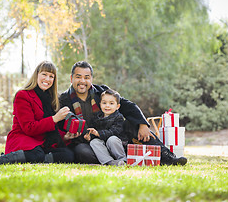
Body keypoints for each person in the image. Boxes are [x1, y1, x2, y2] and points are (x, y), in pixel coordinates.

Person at [59, 61, 187, 166]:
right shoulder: (63, 99)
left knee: (131, 125)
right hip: (88, 142)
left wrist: (142, 124)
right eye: (78, 77)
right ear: (71, 78)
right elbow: (58, 127)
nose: (82, 81)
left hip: (113, 135)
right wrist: (66, 136)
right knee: (82, 152)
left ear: (91, 79)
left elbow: (128, 106)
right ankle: (115, 160)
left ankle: (168, 157)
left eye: (86, 77)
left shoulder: (101, 91)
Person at [0, 61, 76, 164]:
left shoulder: (52, 99)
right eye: (44, 74)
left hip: (41, 143)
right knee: (37, 153)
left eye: (51, 76)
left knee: (68, 154)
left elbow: (51, 130)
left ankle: (29, 159)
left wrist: (65, 137)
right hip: (24, 139)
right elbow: (29, 128)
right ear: (36, 75)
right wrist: (54, 119)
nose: (47, 79)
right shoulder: (23, 95)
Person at [84, 89, 127, 166]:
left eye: (111, 103)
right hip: (103, 146)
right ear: (100, 104)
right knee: (94, 142)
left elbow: (114, 132)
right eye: (104, 103)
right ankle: (109, 162)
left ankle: (122, 160)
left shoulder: (119, 117)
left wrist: (98, 133)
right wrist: (90, 137)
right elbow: (94, 132)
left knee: (112, 139)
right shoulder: (97, 117)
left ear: (117, 106)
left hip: (116, 145)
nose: (107, 105)